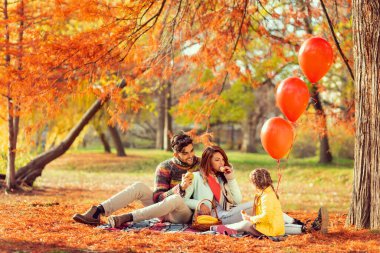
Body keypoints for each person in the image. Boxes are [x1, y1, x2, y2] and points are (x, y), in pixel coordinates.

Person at [184, 146, 328, 235]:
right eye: (217, 160)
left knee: (269, 219)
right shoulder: (196, 177)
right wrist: (199, 204)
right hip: (221, 217)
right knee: (255, 205)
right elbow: (184, 199)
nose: (222, 163)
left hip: (231, 212)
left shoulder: (222, 178)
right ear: (208, 161)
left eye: (222, 159)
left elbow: (237, 199)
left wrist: (231, 178)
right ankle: (301, 223)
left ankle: (306, 228)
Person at [73, 133, 198, 227]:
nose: (191, 155)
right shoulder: (165, 167)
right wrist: (180, 188)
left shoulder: (200, 164)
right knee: (139, 186)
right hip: (161, 209)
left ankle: (127, 218)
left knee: (175, 199)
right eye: (185, 153)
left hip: (183, 213)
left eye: (192, 150)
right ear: (176, 154)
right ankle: (98, 211)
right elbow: (158, 198)